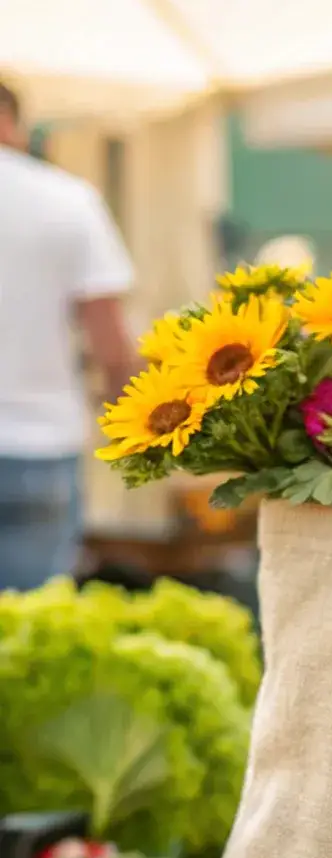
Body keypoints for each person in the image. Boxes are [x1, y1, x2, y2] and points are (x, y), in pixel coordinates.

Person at [0, 80, 136, 591]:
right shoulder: (68, 200)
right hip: (41, 443)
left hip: (43, 442)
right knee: (34, 621)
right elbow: (110, 341)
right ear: (13, 122)